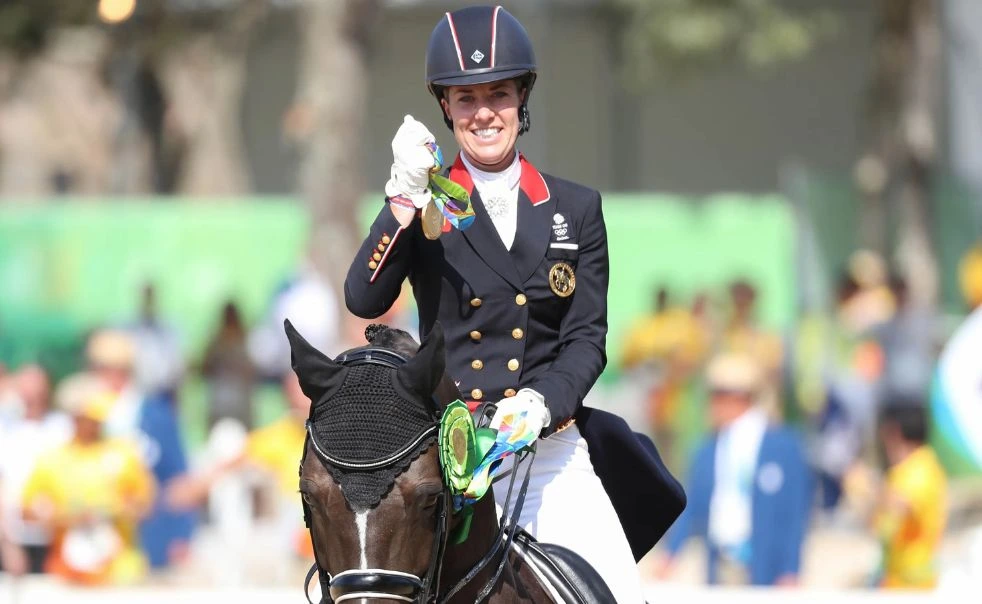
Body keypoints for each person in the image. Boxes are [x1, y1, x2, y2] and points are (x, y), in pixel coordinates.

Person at [343, 6, 684, 601]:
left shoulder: (575, 210)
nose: (483, 113)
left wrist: (541, 403)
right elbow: (364, 296)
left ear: (521, 99)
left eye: (497, 94)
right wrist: (400, 198)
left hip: (548, 450)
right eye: (466, 97)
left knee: (623, 594)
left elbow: (585, 339)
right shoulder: (428, 206)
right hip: (451, 456)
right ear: (445, 106)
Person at [659, 352, 812, 586]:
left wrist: (791, 568)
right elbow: (691, 506)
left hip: (765, 568)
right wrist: (671, 553)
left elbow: (795, 512)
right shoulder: (707, 450)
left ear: (742, 397)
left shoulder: (783, 447)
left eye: (720, 395)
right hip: (721, 564)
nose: (713, 405)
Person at [21, 376, 155, 585]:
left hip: (120, 571)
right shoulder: (53, 459)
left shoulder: (123, 454)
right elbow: (28, 510)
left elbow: (144, 505)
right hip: (67, 573)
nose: (96, 424)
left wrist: (114, 511)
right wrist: (63, 517)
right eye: (90, 418)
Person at [0, 365, 71, 575]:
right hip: (12, 536)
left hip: (54, 537)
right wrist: (7, 542)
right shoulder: (5, 428)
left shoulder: (62, 427)